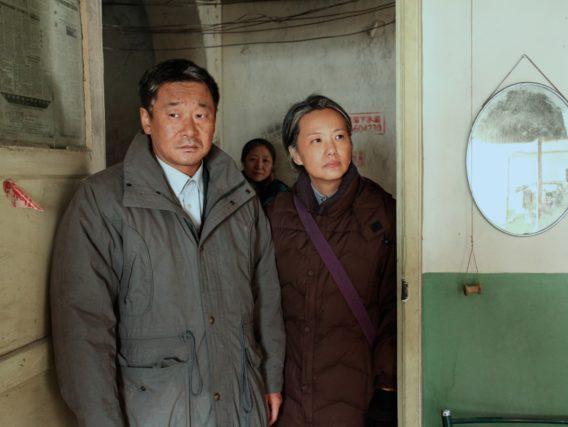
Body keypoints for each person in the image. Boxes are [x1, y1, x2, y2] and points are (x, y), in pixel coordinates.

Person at [50, 59, 285, 427]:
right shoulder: (102, 200)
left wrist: (270, 379)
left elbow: (266, 295)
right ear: (146, 120)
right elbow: (83, 326)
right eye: (173, 114)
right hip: (154, 411)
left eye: (201, 115)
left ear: (214, 121)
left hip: (239, 401)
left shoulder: (241, 199)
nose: (189, 130)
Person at [266, 95, 397, 426]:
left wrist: (387, 386)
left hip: (357, 393)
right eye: (317, 140)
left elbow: (395, 305)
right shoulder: (275, 214)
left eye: (340, 137)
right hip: (289, 397)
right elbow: (260, 304)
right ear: (295, 154)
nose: (331, 150)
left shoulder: (382, 211)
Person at [241, 138, 289, 206]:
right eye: (253, 159)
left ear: (272, 165)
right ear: (243, 162)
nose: (259, 166)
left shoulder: (281, 192)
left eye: (265, 160)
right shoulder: (231, 188)